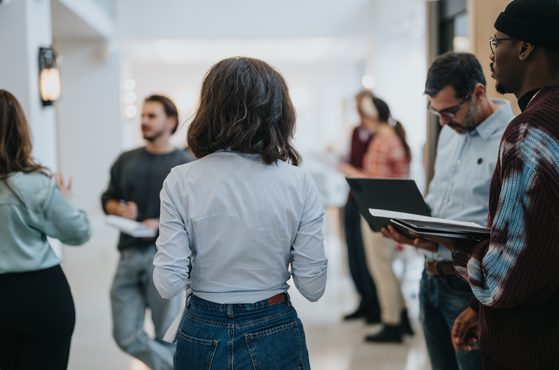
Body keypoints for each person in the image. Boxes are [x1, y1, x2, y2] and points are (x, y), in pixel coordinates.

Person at [391, 1, 559, 368]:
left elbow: (503, 274)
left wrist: (455, 249)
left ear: (525, 47)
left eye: (496, 42)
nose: (493, 54)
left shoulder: (527, 133)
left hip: (522, 330)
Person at [153, 57, 328, 370]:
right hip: (275, 324)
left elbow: (167, 283)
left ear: (209, 109)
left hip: (202, 328)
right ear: (278, 111)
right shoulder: (298, 182)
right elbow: (313, 287)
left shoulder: (181, 180)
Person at [382, 52, 514, 370]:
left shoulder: (511, 138)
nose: (442, 121)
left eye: (450, 111)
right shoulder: (448, 133)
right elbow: (439, 198)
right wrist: (419, 234)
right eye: (435, 112)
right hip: (431, 279)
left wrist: (480, 305)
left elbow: (510, 231)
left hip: (470, 286)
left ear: (478, 93)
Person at [0, 90, 91, 370]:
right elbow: (78, 232)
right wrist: (65, 200)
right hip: (40, 296)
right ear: (18, 131)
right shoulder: (33, 185)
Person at [101, 94, 191, 370]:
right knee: (125, 334)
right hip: (128, 256)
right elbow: (108, 198)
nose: (144, 121)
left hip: (166, 257)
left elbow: (195, 214)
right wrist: (119, 209)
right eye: (143, 116)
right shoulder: (126, 159)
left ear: (171, 121)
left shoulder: (186, 164)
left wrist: (161, 224)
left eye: (152, 116)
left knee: (168, 335)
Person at [338, 95, 413, 343]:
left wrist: (345, 169)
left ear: (371, 116)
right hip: (387, 209)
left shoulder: (383, 141)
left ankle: (391, 322)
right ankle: (401, 316)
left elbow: (374, 182)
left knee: (381, 268)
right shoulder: (391, 137)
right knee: (385, 265)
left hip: (379, 211)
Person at [340, 89, 381, 324]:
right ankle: (363, 301)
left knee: (368, 257)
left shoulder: (380, 133)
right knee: (353, 253)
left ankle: (376, 305)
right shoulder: (356, 131)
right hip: (352, 197)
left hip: (370, 200)